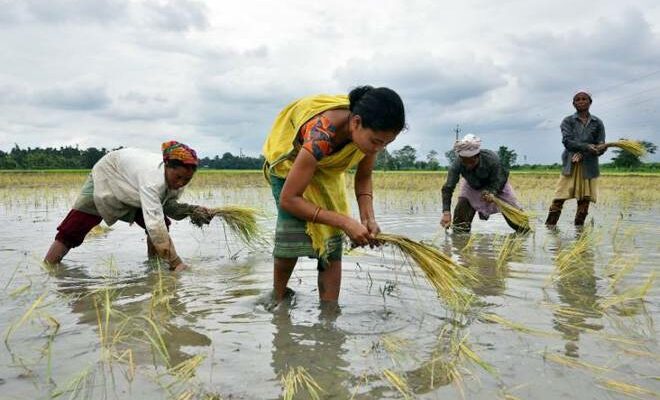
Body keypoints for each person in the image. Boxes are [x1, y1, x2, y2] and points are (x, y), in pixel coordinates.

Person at [262, 85, 406, 303]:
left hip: (327, 172)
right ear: (356, 122)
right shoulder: (322, 132)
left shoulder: (368, 140)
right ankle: (278, 297)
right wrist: (345, 222)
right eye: (376, 142)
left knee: (331, 246)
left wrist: (368, 219)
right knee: (289, 238)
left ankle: (329, 314)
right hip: (290, 168)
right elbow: (289, 200)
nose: (379, 149)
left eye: (386, 144)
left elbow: (364, 178)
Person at [44, 141, 213, 271]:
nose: (181, 183)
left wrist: (192, 211)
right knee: (74, 228)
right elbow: (156, 226)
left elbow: (167, 206)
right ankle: (48, 268)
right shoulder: (152, 180)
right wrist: (176, 263)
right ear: (167, 166)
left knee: (162, 225)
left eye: (187, 180)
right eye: (178, 177)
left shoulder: (175, 179)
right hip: (109, 174)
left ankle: (154, 268)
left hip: (134, 185)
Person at [440, 134, 527, 233]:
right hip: (472, 185)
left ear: (477, 156)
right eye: (464, 162)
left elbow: (500, 178)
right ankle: (460, 240)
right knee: (460, 224)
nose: (468, 166)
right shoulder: (456, 164)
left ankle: (524, 230)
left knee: (521, 225)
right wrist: (446, 212)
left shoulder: (492, 159)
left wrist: (492, 192)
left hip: (496, 185)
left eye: (471, 162)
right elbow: (448, 188)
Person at [545, 91, 608, 227]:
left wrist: (591, 151)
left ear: (590, 102)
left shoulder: (597, 123)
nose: (581, 101)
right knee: (559, 198)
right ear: (573, 104)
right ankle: (550, 228)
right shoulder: (568, 121)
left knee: (584, 201)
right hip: (570, 163)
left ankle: (579, 233)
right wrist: (586, 147)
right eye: (577, 99)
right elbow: (567, 142)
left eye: (584, 99)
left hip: (589, 166)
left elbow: (601, 146)